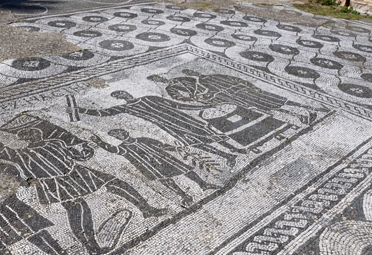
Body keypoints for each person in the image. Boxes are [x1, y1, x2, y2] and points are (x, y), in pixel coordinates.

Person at [0, 115, 167, 255]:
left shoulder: (56, 142)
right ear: (23, 139)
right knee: (78, 209)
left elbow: (79, 156)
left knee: (116, 183)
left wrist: (87, 151)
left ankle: (146, 209)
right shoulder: (19, 154)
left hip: (77, 172)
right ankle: (91, 247)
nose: (34, 134)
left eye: (34, 132)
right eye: (28, 134)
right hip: (54, 183)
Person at [74, 90, 237, 166]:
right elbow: (104, 113)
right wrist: (80, 110)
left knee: (208, 133)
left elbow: (177, 105)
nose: (122, 97)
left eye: (122, 94)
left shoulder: (149, 97)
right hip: (168, 126)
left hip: (179, 118)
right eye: (118, 97)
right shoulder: (127, 108)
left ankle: (231, 149)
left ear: (127, 94)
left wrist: (202, 106)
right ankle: (226, 155)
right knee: (195, 142)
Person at [92, 129, 218, 206]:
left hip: (165, 158)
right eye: (117, 136)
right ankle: (184, 195)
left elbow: (162, 145)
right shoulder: (123, 148)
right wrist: (99, 141)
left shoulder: (142, 139)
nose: (119, 136)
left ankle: (203, 184)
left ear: (126, 132)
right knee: (165, 179)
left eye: (120, 133)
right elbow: (113, 150)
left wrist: (175, 148)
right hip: (149, 165)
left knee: (185, 170)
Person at [148, 70, 322, 125]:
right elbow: (182, 98)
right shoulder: (172, 87)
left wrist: (250, 85)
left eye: (159, 77)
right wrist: (198, 99)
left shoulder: (208, 77)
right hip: (223, 96)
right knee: (262, 108)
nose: (161, 79)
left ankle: (308, 108)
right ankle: (298, 116)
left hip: (237, 90)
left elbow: (233, 79)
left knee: (271, 99)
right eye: (158, 79)